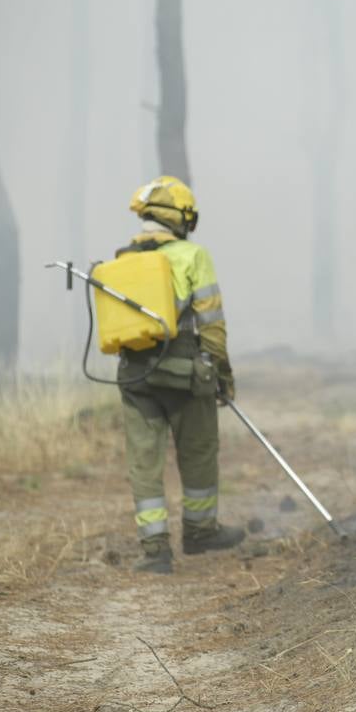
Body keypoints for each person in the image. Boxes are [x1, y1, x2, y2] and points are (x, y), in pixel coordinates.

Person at [118, 176, 245, 574]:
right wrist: (221, 374)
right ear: (183, 219)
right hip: (185, 374)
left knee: (143, 462)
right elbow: (211, 324)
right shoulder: (193, 256)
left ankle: (155, 550)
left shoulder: (122, 260)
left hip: (135, 377)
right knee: (198, 452)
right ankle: (200, 531)